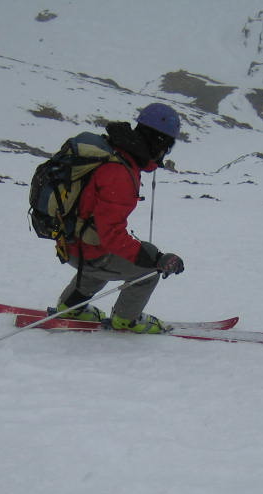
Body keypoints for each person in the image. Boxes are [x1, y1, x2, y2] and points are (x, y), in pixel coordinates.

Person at [54, 103, 185, 333]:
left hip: (72, 243)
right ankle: (126, 320)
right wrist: (156, 259)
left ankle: (70, 306)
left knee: (106, 258)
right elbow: (111, 235)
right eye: (169, 146)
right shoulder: (120, 173)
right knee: (147, 268)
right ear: (160, 141)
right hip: (87, 250)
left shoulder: (112, 154)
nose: (166, 153)